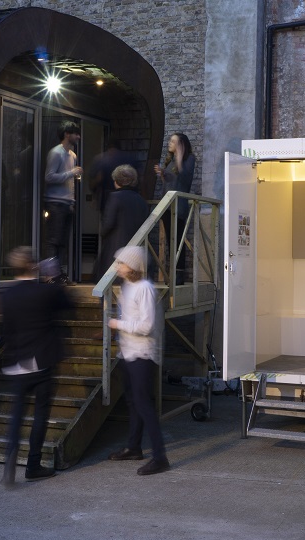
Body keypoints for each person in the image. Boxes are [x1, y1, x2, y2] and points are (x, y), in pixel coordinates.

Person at [0, 247, 73, 488]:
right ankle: (33, 465)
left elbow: (7, 329)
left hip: (17, 362)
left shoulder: (8, 295)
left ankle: (9, 461)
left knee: (17, 416)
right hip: (41, 361)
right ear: (33, 265)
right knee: (40, 414)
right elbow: (68, 305)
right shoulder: (45, 291)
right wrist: (53, 278)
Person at [106, 245, 170, 476]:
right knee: (132, 402)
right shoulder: (126, 287)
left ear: (132, 266)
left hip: (143, 354)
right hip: (128, 352)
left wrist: (117, 324)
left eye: (121, 263)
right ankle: (133, 448)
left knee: (144, 405)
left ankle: (160, 457)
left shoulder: (145, 288)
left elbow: (147, 326)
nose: (118, 267)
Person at [154, 133, 196, 285]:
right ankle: (171, 275)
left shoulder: (189, 159)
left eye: (173, 141)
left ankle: (178, 276)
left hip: (179, 205)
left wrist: (179, 157)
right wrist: (162, 173)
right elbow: (172, 180)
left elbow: (185, 178)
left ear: (181, 144)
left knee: (178, 240)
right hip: (167, 204)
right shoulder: (170, 160)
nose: (169, 143)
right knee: (170, 241)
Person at [43, 121, 82, 283]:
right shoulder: (56, 153)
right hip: (55, 202)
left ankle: (58, 273)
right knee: (54, 240)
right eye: (75, 133)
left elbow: (70, 182)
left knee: (63, 241)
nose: (78, 137)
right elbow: (49, 177)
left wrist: (72, 201)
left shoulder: (72, 155)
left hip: (66, 203)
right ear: (67, 134)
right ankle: (51, 275)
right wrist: (71, 173)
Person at [93, 164, 149, 279]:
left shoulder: (115, 197)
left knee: (109, 283)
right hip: (135, 251)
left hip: (116, 246)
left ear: (116, 181)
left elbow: (108, 224)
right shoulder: (141, 200)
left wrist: (102, 232)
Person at [90, 139, 137, 215]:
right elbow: (140, 179)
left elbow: (96, 180)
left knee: (109, 219)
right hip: (129, 197)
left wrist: (95, 196)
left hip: (107, 197)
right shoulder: (129, 158)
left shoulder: (100, 159)